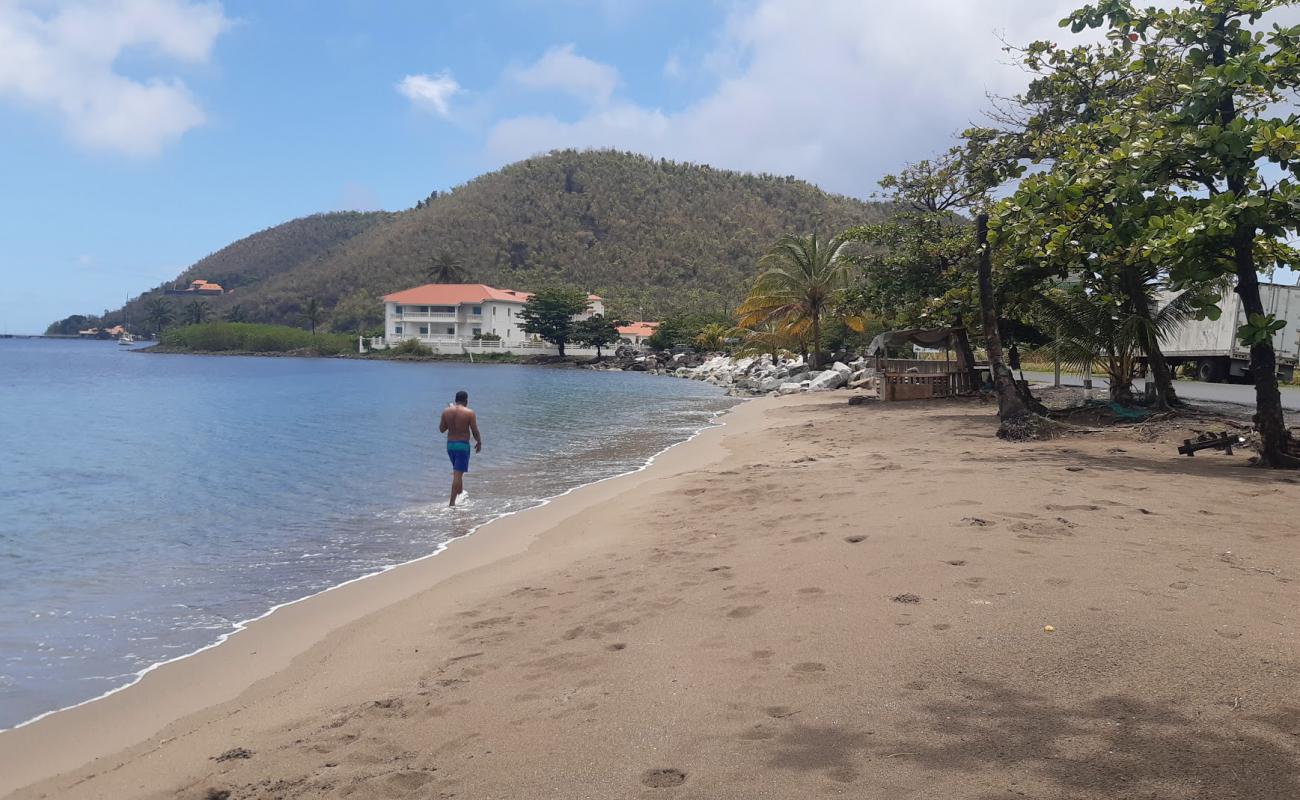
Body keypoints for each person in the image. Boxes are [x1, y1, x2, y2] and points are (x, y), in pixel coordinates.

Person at [439, 390, 481, 506]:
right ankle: (451, 503)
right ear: (466, 400)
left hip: (450, 446)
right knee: (457, 474)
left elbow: (442, 429)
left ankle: (461, 494)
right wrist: (479, 442)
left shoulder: (446, 411)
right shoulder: (469, 413)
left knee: (458, 472)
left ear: (455, 400)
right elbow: (474, 431)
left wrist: (450, 420)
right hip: (462, 445)